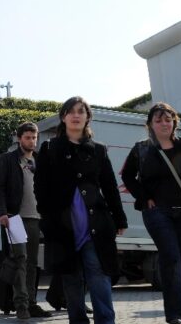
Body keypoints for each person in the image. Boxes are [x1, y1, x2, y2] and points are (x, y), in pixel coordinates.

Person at [121, 102, 181, 324]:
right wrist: (144, 197)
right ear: (150, 125)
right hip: (157, 213)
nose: (164, 123)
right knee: (171, 257)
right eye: (159, 120)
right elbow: (127, 176)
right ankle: (175, 315)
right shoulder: (141, 149)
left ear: (174, 122)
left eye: (168, 119)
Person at [34, 96, 127, 324]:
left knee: (98, 274)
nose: (76, 115)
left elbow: (109, 187)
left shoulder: (98, 150)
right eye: (71, 111)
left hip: (95, 224)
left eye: (81, 111)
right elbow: (41, 187)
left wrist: (119, 219)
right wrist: (47, 218)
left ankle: (105, 321)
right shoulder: (49, 148)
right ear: (63, 117)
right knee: (71, 278)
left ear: (87, 118)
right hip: (62, 226)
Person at [0, 121, 51, 319]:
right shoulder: (8, 160)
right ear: (19, 139)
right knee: (21, 261)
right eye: (28, 137)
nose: (32, 141)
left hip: (36, 218)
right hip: (14, 217)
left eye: (34, 137)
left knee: (33, 263)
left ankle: (32, 303)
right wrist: (1, 213)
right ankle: (21, 305)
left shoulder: (40, 161)